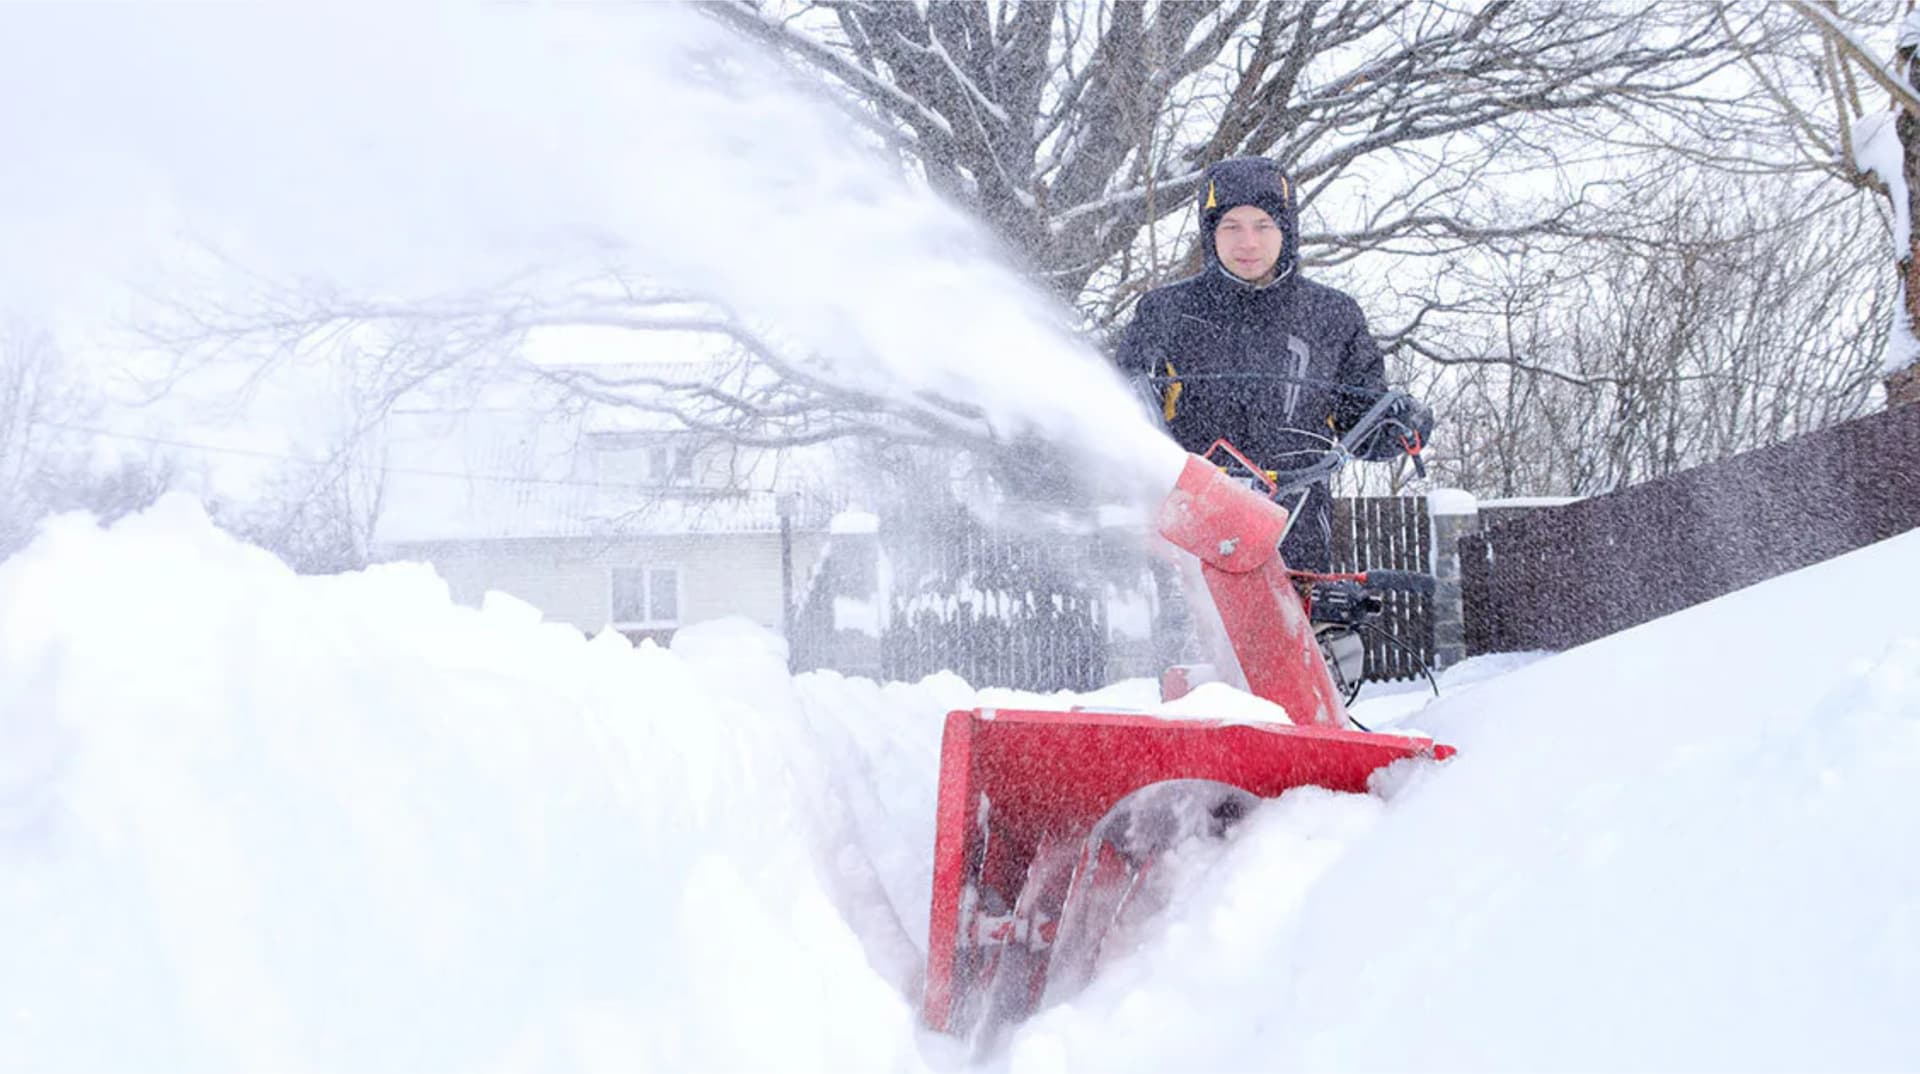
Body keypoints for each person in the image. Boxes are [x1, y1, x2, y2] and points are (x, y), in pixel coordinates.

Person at [1115, 155, 1432, 574]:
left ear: (1286, 230)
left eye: (1263, 226)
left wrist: (1401, 425)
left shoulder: (1332, 316)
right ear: (1210, 233)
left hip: (1297, 533)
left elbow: (1363, 423)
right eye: (1232, 227)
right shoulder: (1165, 312)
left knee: (1299, 616)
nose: (1248, 242)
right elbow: (1123, 406)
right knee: (1189, 616)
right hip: (1187, 537)